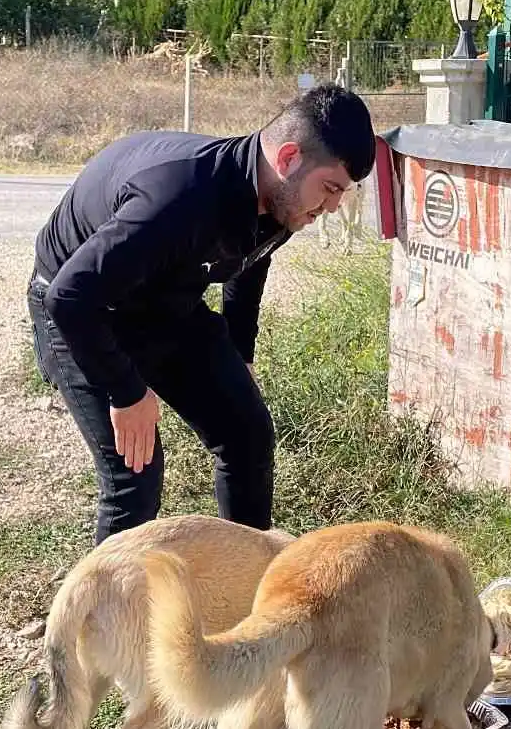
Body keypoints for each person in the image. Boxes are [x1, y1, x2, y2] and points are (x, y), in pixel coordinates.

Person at [27, 84, 376, 546]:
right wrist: (128, 392)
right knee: (136, 477)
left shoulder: (280, 201)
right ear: (288, 157)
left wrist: (238, 352)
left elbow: (250, 262)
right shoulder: (178, 198)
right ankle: (101, 616)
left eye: (342, 194)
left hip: (162, 300)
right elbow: (71, 296)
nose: (332, 207)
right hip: (84, 309)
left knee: (247, 434)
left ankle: (247, 588)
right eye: (331, 188)